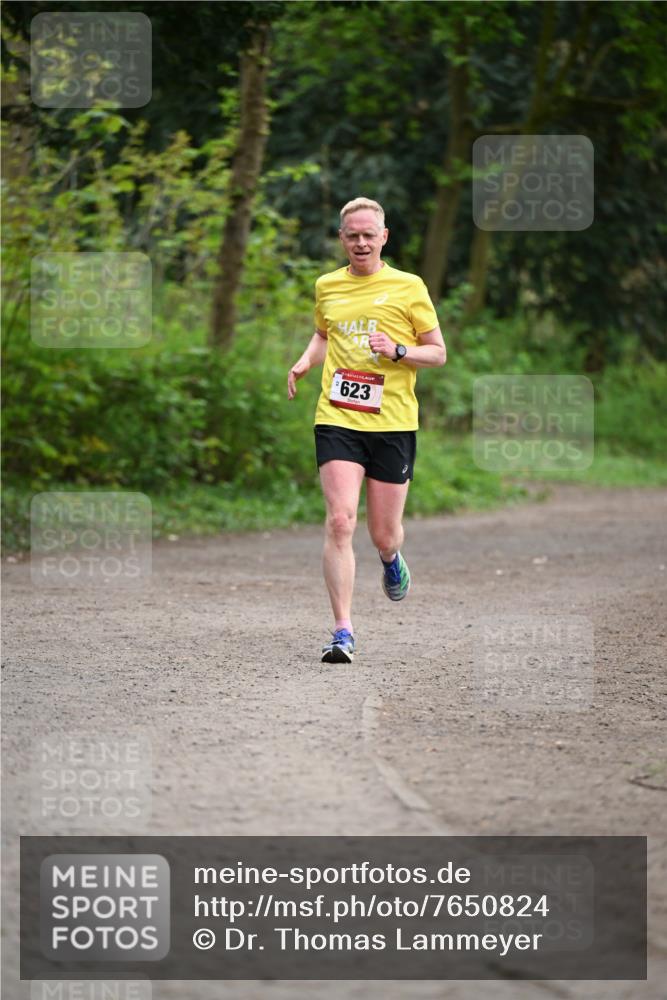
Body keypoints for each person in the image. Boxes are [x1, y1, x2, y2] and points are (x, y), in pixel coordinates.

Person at [287, 197, 446, 664]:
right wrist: (304, 360)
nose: (360, 242)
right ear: (342, 238)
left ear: (384, 238)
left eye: (368, 235)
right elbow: (323, 333)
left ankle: (391, 559)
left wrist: (398, 351)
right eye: (351, 235)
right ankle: (342, 631)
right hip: (337, 416)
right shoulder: (327, 286)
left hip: (393, 422)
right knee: (339, 520)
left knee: (383, 533)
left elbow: (437, 353)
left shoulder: (408, 286)